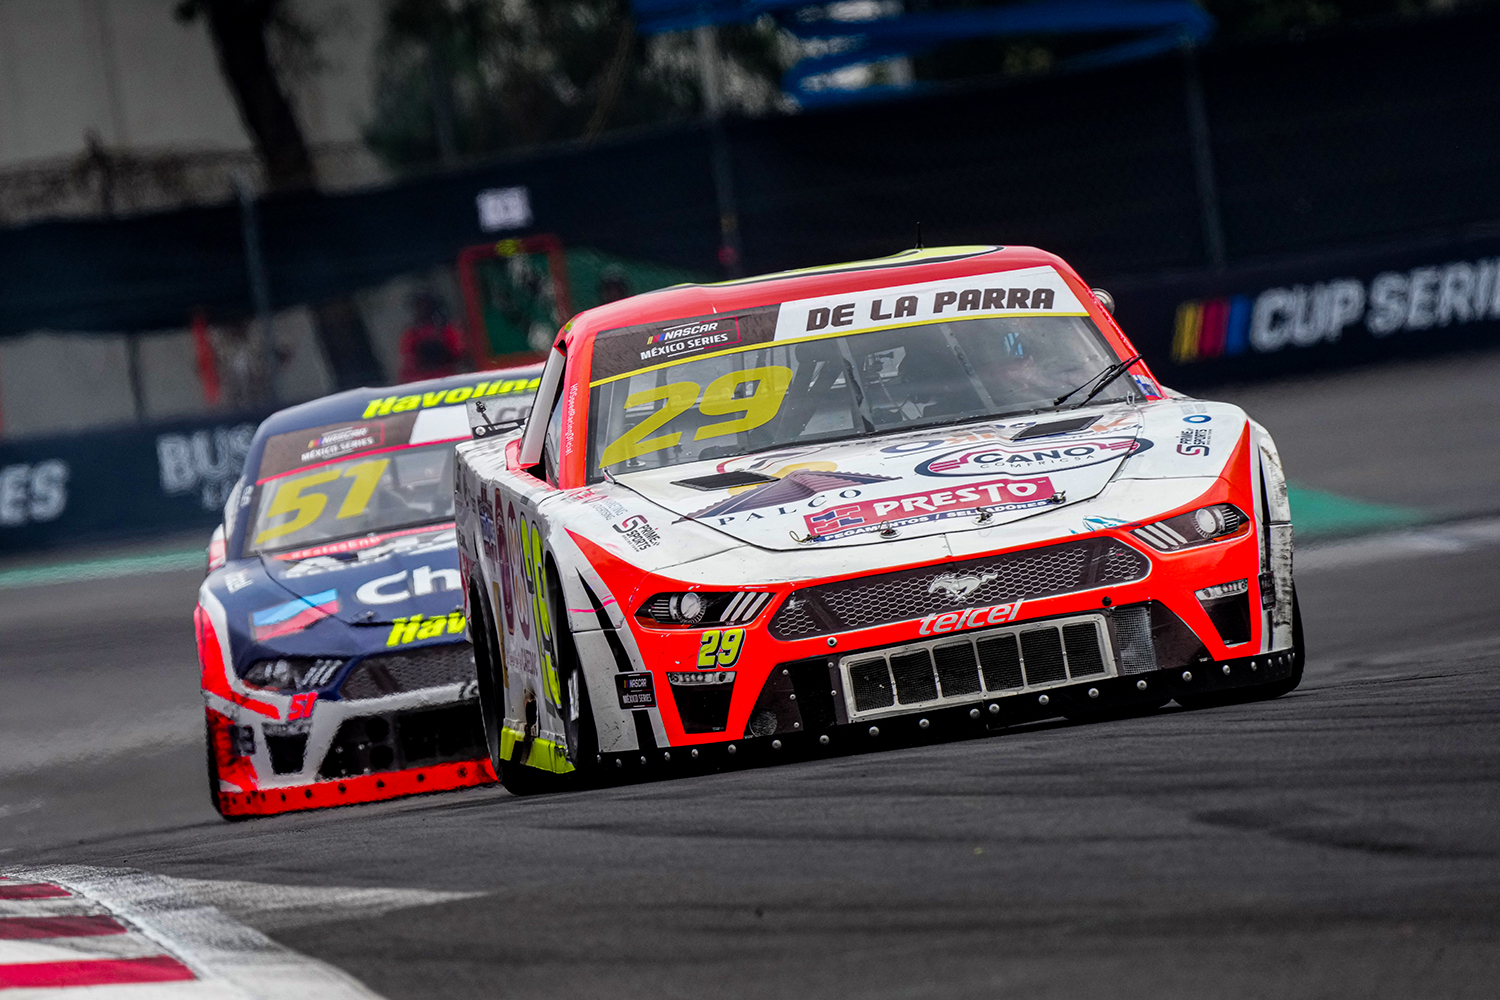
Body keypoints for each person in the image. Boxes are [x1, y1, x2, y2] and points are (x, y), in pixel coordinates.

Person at [398, 291, 467, 382]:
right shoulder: (412, 334)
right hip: (422, 382)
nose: (422, 310)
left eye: (425, 306)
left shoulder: (446, 330)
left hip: (447, 379)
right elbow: (408, 362)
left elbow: (460, 355)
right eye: (418, 307)